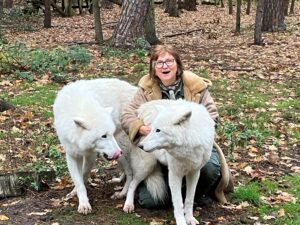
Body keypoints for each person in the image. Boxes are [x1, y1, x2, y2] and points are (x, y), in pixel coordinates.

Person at [121, 44, 233, 208]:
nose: (164, 66)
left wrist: (193, 131)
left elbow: (212, 115)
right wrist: (142, 128)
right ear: (153, 68)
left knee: (209, 168)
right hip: (159, 146)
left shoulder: (195, 87)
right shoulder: (146, 89)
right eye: (159, 63)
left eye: (169, 61)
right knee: (151, 202)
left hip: (191, 147)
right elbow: (127, 115)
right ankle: (172, 192)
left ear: (178, 65)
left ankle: (192, 196)